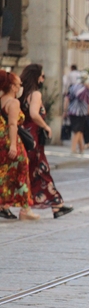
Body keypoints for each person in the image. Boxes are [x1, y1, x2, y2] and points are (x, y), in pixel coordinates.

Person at [19, 64, 73, 219]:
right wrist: (46, 126)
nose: (43, 79)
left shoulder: (22, 93)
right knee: (40, 170)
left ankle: (52, 205)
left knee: (30, 171)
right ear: (36, 77)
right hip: (33, 137)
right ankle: (55, 204)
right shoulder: (35, 94)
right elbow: (34, 114)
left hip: (25, 136)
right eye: (42, 76)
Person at [0, 70, 40, 220]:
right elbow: (12, 125)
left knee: (4, 174)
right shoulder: (13, 102)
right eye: (18, 85)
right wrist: (13, 146)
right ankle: (25, 209)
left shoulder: (1, 99)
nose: (20, 87)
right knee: (22, 173)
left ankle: (4, 205)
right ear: (11, 86)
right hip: (12, 141)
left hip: (1, 142)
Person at [64, 71, 89, 155]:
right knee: (77, 131)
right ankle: (73, 149)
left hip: (72, 111)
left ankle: (81, 148)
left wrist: (65, 110)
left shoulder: (72, 87)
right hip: (81, 113)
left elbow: (66, 99)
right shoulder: (86, 89)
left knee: (79, 130)